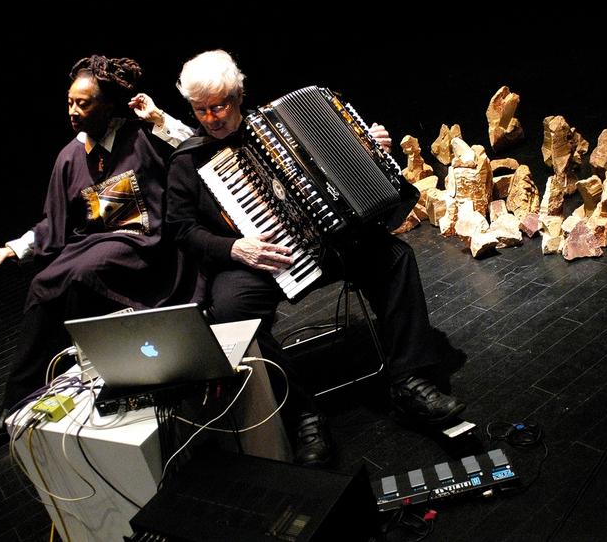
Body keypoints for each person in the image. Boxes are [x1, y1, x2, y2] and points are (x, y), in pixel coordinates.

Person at [166, 49, 465, 466]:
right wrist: (234, 248)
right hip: (259, 261)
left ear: (239, 96)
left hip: (331, 244)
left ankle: (409, 380)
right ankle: (302, 414)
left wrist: (368, 147)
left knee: (394, 257)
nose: (211, 118)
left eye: (220, 106)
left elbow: (346, 164)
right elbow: (180, 229)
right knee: (231, 310)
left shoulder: (283, 128)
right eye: (201, 110)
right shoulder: (188, 161)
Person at [0, 55, 193, 438]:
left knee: (81, 273)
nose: (73, 111)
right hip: (94, 246)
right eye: (70, 102)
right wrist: (12, 250)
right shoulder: (69, 158)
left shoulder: (140, 137)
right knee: (44, 284)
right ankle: (19, 399)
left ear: (106, 105)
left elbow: (191, 147)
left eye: (83, 104)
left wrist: (158, 118)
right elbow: (53, 222)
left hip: (146, 244)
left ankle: (74, 378)